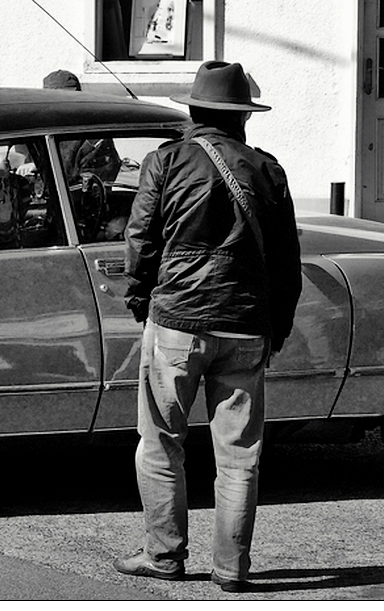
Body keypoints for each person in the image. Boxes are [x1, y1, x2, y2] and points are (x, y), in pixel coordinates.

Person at [112, 61, 302, 592]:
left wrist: (141, 301)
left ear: (194, 110)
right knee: (240, 457)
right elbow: (288, 262)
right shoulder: (268, 171)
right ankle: (231, 570)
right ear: (243, 117)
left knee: (159, 444)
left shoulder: (166, 161)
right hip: (246, 327)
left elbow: (141, 241)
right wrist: (276, 328)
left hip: (177, 322)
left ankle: (164, 555)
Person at [19, 70, 122, 183]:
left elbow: (92, 184)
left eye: (70, 97)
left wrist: (42, 168)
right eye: (55, 98)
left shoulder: (93, 136)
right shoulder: (42, 132)